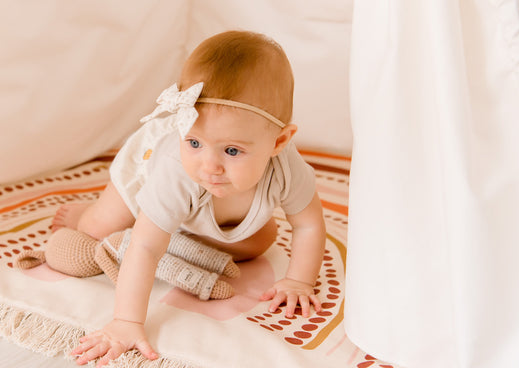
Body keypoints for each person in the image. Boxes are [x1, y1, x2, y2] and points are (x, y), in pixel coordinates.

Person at [51, 30, 326, 366]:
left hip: (208, 211)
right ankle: (92, 213)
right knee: (100, 227)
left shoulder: (287, 168)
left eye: (232, 150)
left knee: (262, 241)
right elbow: (146, 248)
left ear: (279, 142)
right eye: (194, 142)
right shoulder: (178, 171)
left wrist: (299, 280)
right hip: (148, 174)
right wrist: (126, 322)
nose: (209, 166)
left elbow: (309, 224)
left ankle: (176, 228)